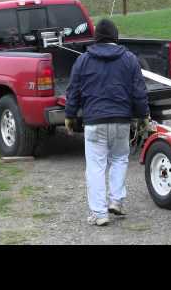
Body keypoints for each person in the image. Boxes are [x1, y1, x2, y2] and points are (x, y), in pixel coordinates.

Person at [64, 18, 150, 226]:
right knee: (120, 159)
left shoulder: (83, 60)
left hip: (94, 122)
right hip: (122, 121)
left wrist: (69, 115)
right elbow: (139, 92)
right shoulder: (130, 59)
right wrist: (143, 116)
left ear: (95, 38)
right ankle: (117, 201)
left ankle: (99, 213)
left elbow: (73, 91)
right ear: (116, 36)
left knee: (96, 166)